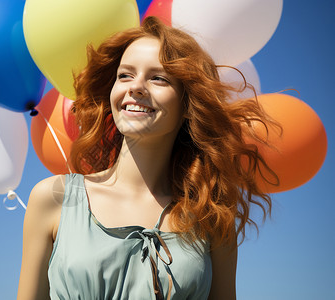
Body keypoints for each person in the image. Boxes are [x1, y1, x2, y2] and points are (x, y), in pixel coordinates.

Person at [17, 16, 278, 300]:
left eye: (158, 78)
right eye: (125, 75)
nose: (136, 87)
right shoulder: (53, 198)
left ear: (188, 104)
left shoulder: (212, 216)